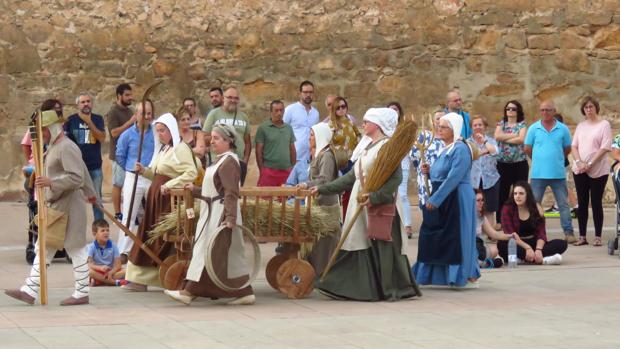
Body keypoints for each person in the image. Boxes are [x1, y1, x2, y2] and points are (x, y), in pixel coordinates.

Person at [313, 108, 419, 301]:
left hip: (378, 206)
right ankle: (347, 286)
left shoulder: (388, 147)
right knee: (356, 243)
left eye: (367, 121)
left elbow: (396, 179)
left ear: (377, 125)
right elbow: (350, 178)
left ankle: (386, 288)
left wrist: (376, 197)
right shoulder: (367, 147)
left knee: (380, 246)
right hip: (360, 202)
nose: (363, 124)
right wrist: (323, 188)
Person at [5, 110, 97, 306]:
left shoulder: (66, 147)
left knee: (75, 248)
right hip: (58, 206)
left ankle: (81, 292)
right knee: (44, 247)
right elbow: (83, 171)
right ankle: (30, 290)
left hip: (70, 207)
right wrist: (91, 193)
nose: (43, 134)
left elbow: (77, 176)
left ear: (53, 128)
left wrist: (51, 181)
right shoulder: (55, 146)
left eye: (45, 130)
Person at [164, 123, 255, 305]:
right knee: (221, 255)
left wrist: (230, 219)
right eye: (211, 138)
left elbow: (230, 193)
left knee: (214, 254)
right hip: (212, 212)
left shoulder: (229, 162)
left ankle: (189, 292)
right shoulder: (220, 160)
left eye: (216, 138)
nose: (211, 142)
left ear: (228, 141)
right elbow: (215, 189)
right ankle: (243, 292)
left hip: (220, 214)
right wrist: (196, 190)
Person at [123, 113, 198, 291]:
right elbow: (158, 174)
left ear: (171, 129)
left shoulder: (180, 148)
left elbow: (191, 172)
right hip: (155, 200)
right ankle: (139, 279)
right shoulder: (164, 149)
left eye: (163, 131)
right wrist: (145, 171)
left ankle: (148, 279)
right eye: (157, 131)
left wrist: (170, 185)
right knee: (147, 235)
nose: (160, 135)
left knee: (157, 239)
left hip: (167, 202)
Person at [413, 112, 480, 289]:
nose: (439, 129)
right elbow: (443, 173)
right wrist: (429, 172)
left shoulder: (460, 149)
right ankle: (436, 274)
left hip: (456, 197)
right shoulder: (446, 148)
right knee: (436, 237)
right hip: (445, 197)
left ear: (454, 129)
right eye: (439, 126)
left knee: (457, 236)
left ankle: (462, 274)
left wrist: (435, 199)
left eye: (443, 127)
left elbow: (454, 177)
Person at [524, 100, 575, 243]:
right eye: (542, 110)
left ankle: (569, 233)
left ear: (554, 111)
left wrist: (556, 158)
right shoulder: (534, 128)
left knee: (563, 205)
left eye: (547, 110)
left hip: (557, 174)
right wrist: (539, 159)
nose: (544, 113)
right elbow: (527, 148)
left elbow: (567, 148)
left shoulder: (563, 129)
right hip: (538, 174)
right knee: (534, 205)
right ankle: (534, 233)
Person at [22, 99, 64, 264]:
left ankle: (55, 244)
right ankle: (33, 245)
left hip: (52, 172)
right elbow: (27, 145)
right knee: (35, 210)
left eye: (60, 110)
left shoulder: (60, 128)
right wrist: (32, 163)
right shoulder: (35, 126)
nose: (59, 112)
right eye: (56, 110)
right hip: (37, 172)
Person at [297, 122, 340, 275]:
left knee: (325, 241)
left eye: (312, 135)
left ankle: (323, 272)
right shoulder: (320, 154)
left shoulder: (327, 156)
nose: (310, 138)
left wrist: (306, 184)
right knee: (317, 240)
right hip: (318, 201)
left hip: (326, 203)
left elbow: (324, 180)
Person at [114, 101, 155, 259]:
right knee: (129, 213)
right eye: (144, 113)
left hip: (151, 176)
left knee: (153, 213)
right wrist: (130, 168)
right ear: (136, 115)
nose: (147, 116)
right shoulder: (127, 135)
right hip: (134, 177)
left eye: (150, 113)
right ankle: (124, 251)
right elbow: (120, 155)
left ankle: (152, 249)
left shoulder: (156, 133)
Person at [571, 97, 612, 246]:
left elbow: (605, 146)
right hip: (580, 169)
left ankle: (598, 236)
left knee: (596, 202)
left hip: (598, 170)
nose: (589, 109)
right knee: (582, 203)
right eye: (586, 107)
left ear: (596, 108)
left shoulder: (604, 125)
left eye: (591, 107)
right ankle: (582, 236)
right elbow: (574, 146)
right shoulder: (581, 126)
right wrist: (579, 162)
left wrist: (590, 163)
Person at [498, 181, 567, 265]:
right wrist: (527, 248)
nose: (517, 196)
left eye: (521, 193)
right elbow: (510, 234)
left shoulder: (536, 207)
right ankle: (544, 260)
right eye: (515, 194)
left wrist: (538, 250)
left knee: (562, 244)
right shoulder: (507, 208)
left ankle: (526, 259)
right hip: (518, 243)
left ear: (528, 194)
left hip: (533, 242)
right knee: (501, 245)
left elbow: (541, 233)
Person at [64, 92, 106, 221]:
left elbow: (102, 138)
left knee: (97, 199)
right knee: (73, 200)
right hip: (76, 167)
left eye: (88, 101)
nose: (86, 104)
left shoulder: (98, 119)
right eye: (83, 102)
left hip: (94, 167)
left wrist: (89, 123)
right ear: (77, 105)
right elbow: (66, 142)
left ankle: (99, 228)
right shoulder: (70, 120)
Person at [203, 86, 251, 185]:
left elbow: (247, 141)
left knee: (236, 192)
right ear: (223, 98)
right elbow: (205, 137)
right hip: (218, 161)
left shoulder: (244, 117)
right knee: (218, 191)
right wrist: (220, 139)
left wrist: (245, 161)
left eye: (236, 98)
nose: (233, 100)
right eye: (230, 97)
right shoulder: (214, 114)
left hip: (238, 162)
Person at [494, 100, 528, 226]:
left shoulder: (522, 124)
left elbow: (521, 139)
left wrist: (506, 136)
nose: (510, 111)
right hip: (503, 164)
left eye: (513, 109)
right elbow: (497, 137)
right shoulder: (501, 123)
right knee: (502, 193)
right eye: (508, 109)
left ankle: (520, 220)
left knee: (520, 192)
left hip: (519, 164)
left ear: (518, 111)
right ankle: (500, 221)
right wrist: (514, 134)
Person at [107, 83, 134, 220]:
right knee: (118, 184)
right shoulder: (113, 112)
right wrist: (130, 123)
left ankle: (131, 212)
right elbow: (113, 133)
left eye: (131, 94)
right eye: (127, 95)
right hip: (118, 155)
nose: (131, 97)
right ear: (119, 96)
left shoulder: (130, 111)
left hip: (131, 154)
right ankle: (118, 213)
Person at [284, 80, 320, 185]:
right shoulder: (290, 110)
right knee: (290, 189)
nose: (308, 95)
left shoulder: (315, 113)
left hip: (309, 160)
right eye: (305, 92)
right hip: (293, 158)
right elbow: (284, 132)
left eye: (310, 92)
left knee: (305, 188)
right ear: (300, 93)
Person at [255, 100, 296, 186]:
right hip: (269, 171)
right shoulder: (263, 128)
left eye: (281, 110)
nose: (279, 113)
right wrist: (262, 170)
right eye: (276, 110)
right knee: (265, 199)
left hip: (286, 171)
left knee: (285, 199)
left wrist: (292, 168)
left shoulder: (288, 128)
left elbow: (292, 149)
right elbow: (258, 151)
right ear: (270, 112)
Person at [411, 111, 445, 215]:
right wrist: (421, 169)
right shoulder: (425, 136)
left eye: (443, 118)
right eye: (438, 118)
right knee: (428, 213)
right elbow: (414, 155)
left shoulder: (450, 138)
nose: (440, 121)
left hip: (443, 181)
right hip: (426, 181)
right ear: (433, 122)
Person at [469, 115, 501, 225]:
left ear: (485, 127)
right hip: (473, 181)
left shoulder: (491, 141)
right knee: (473, 208)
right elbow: (470, 157)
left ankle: (490, 235)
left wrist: (484, 141)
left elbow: (495, 152)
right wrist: (484, 152)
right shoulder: (467, 143)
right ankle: (475, 234)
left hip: (490, 180)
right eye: (475, 125)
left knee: (489, 209)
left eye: (480, 125)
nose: (477, 127)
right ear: (471, 127)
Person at [387, 102, 413, 238]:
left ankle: (407, 224)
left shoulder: (404, 128)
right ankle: (392, 224)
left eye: (395, 109)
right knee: (390, 195)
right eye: (390, 110)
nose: (393, 112)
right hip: (388, 165)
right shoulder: (384, 127)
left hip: (402, 164)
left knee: (402, 194)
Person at [474, 190, 508, 269]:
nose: (481, 203)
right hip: (468, 247)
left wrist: (510, 236)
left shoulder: (481, 217)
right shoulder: (464, 216)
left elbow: (494, 234)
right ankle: (483, 263)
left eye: (482, 200)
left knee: (494, 250)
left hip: (478, 247)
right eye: (478, 200)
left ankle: (482, 263)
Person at [87, 219, 126, 286]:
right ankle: (114, 282)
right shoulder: (91, 247)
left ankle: (101, 281)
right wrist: (100, 268)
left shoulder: (113, 245)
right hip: (98, 271)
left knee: (127, 271)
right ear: (95, 234)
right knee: (89, 272)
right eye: (102, 231)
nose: (106, 232)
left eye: (107, 230)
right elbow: (90, 264)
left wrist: (111, 272)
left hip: (111, 272)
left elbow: (118, 264)